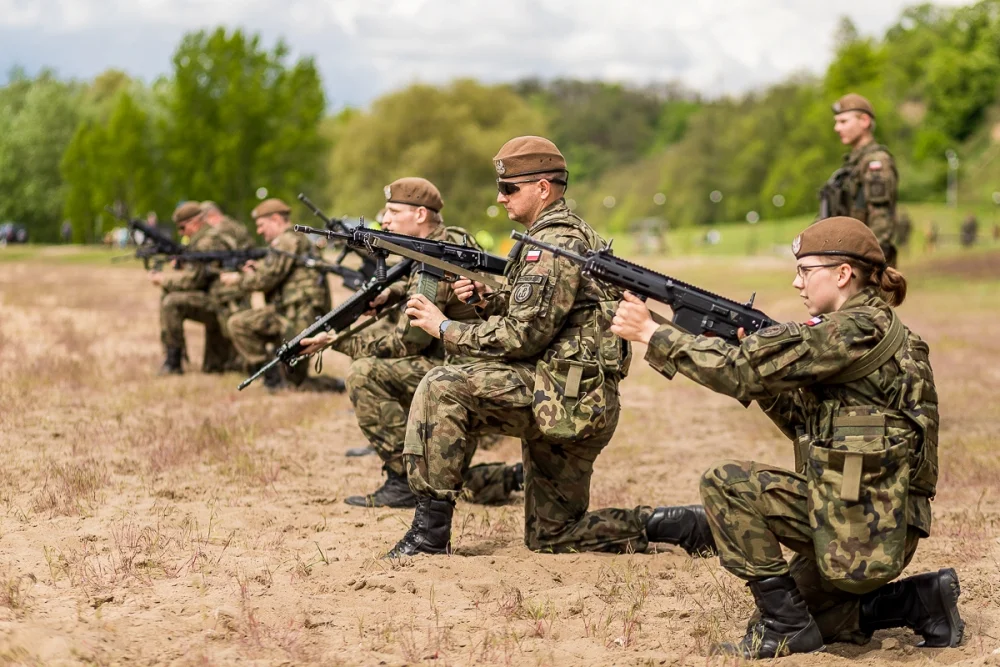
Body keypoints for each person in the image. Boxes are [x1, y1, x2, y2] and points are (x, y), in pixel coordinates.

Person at [611, 217, 963, 658]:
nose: (796, 282)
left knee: (727, 484)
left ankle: (785, 629)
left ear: (842, 274)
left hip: (862, 522)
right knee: (820, 618)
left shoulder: (847, 330)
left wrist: (652, 333)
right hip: (880, 519)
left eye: (805, 270)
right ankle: (922, 600)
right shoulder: (884, 331)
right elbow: (806, 421)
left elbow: (738, 370)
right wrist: (770, 384)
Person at [386, 136, 702, 558]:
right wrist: (487, 300)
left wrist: (443, 326)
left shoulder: (553, 245)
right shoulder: (561, 235)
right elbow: (547, 316)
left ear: (543, 188)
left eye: (509, 188)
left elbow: (522, 337)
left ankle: (428, 536)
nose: (500, 199)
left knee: (442, 385)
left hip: (561, 396)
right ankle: (677, 524)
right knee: (553, 535)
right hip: (574, 393)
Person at [298, 178, 521, 507]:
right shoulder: (439, 242)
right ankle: (512, 477)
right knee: (447, 478)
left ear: (420, 215)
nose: (384, 220)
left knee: (365, 373)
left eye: (392, 211)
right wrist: (394, 292)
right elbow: (420, 288)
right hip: (459, 364)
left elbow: (408, 342)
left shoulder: (439, 255)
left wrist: (335, 340)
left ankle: (403, 480)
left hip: (458, 371)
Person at [221, 198, 334, 391]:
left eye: (261, 225)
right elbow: (275, 272)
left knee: (238, 324)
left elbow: (266, 280)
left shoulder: (286, 240)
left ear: (275, 219)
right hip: (293, 314)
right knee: (295, 381)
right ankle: (273, 378)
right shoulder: (295, 239)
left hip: (297, 317)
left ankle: (274, 378)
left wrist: (237, 279)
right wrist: (256, 269)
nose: (259, 231)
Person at [150, 201, 243, 375]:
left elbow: (193, 281)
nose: (181, 233)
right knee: (169, 297)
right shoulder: (209, 237)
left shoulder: (207, 241)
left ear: (195, 222)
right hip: (221, 298)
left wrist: (164, 280)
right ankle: (175, 357)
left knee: (171, 302)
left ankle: (173, 363)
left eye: (182, 228)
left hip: (223, 303)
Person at [819, 94, 900, 267]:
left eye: (843, 121)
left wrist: (869, 267)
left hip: (866, 265)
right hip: (850, 260)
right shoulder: (853, 165)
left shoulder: (875, 162)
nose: (836, 128)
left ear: (864, 121)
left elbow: (881, 221)